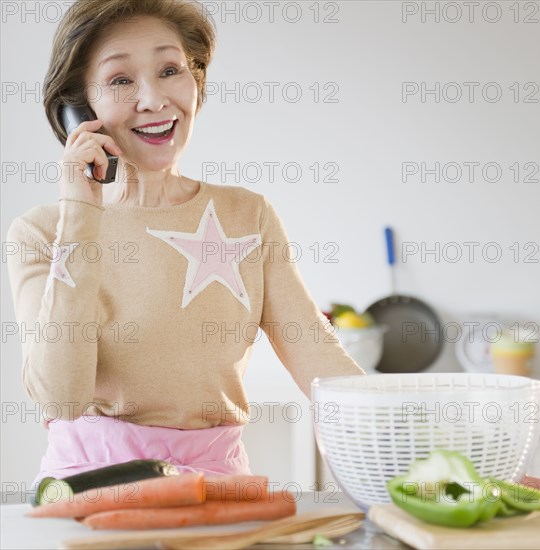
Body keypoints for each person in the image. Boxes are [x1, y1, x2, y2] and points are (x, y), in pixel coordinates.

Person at [6, 0, 366, 487]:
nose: (154, 99)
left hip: (217, 488)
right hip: (90, 492)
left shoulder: (248, 215)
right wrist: (81, 212)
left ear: (196, 83)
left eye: (170, 69)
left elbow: (317, 356)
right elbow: (60, 397)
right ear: (80, 108)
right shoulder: (41, 232)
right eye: (120, 80)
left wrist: (413, 436)